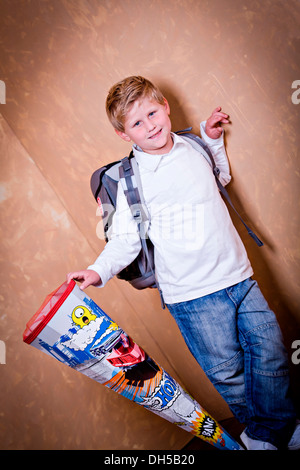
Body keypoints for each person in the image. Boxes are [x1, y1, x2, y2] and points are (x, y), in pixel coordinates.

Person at [67, 76, 299, 450]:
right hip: (192, 296)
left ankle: (267, 434)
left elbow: (220, 177)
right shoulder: (132, 179)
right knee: (230, 373)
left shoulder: (192, 146)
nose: (151, 125)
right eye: (137, 124)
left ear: (164, 105)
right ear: (124, 136)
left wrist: (212, 139)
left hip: (238, 275)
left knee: (270, 351)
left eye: (152, 112)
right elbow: (126, 239)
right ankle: (276, 434)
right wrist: (98, 270)